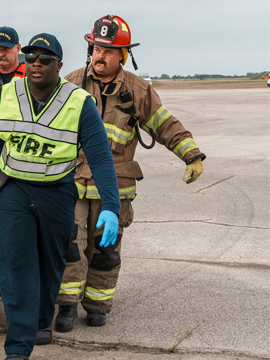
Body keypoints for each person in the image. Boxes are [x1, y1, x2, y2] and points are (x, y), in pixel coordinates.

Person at [55, 15, 207, 332]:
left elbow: (165, 124)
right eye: (96, 48)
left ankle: (97, 306)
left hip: (115, 187)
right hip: (72, 182)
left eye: (108, 51)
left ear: (123, 55)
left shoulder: (137, 90)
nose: (100, 55)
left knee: (105, 252)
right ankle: (66, 306)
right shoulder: (70, 83)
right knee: (69, 245)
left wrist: (190, 154)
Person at [0, 33, 120, 360]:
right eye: (31, 58)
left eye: (45, 59)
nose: (36, 64)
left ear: (59, 65)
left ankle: (42, 320)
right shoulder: (7, 95)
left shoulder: (79, 102)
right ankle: (18, 344)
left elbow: (101, 159)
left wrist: (111, 207)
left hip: (57, 192)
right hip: (13, 190)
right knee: (16, 265)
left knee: (50, 262)